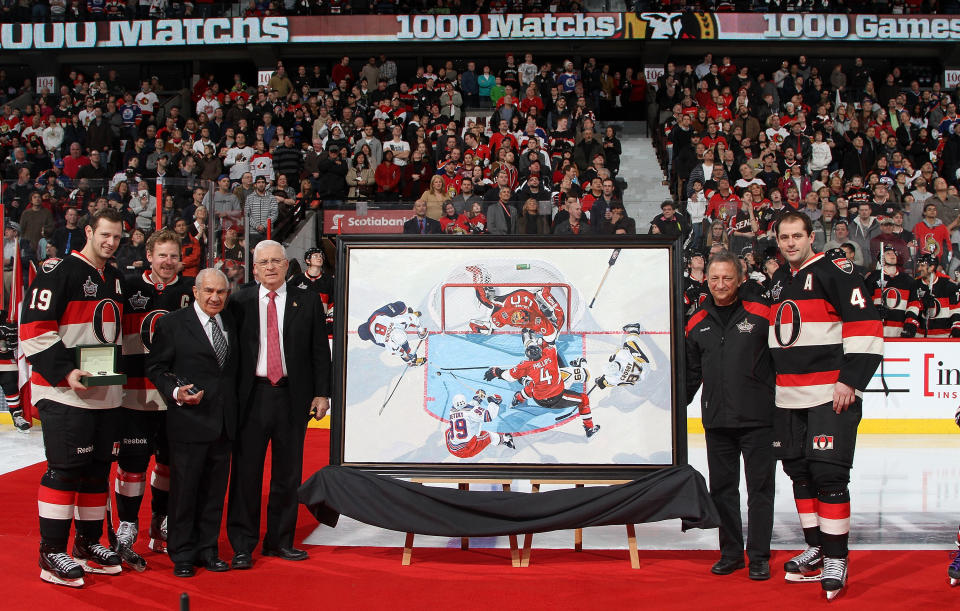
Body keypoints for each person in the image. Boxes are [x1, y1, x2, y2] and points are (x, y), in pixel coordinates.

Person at [768, 211, 883, 600]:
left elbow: (865, 324)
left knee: (828, 475)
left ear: (810, 236)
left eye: (797, 236)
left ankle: (837, 556)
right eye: (784, 237)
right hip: (788, 397)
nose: (790, 243)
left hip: (829, 394)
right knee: (799, 473)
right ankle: (816, 547)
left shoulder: (836, 270)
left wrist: (851, 379)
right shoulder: (780, 280)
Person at [21, 208, 127, 587]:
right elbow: (33, 329)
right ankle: (51, 553)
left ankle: (87, 543)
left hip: (107, 395)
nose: (111, 243)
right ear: (88, 231)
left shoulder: (113, 276)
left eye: (117, 237)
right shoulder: (57, 271)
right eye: (105, 235)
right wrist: (66, 370)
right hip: (65, 394)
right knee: (65, 470)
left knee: (98, 470)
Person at [226, 241, 331, 569]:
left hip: (292, 396)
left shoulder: (308, 300)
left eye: (276, 261)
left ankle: (280, 541)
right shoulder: (239, 302)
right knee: (246, 474)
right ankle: (243, 545)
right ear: (253, 268)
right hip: (251, 397)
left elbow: (319, 352)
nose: (270, 267)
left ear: (288, 266)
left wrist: (322, 393)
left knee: (288, 474)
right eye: (263, 262)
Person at [685, 251, 775, 581]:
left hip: (759, 420)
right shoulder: (696, 321)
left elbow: (780, 364)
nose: (720, 284)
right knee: (723, 490)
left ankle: (759, 556)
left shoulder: (762, 313)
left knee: (760, 490)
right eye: (714, 278)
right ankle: (732, 553)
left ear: (739, 280)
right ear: (706, 281)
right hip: (717, 421)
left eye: (727, 278)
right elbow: (691, 374)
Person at [145, 268, 237, 578]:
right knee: (184, 492)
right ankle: (182, 552)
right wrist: (175, 392)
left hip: (224, 423)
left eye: (221, 292)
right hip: (188, 421)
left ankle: (208, 549)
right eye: (209, 291)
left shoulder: (231, 321)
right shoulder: (172, 324)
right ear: (195, 292)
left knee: (213, 492)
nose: (215, 297)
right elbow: (155, 367)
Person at [111, 229, 195, 571]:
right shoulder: (128, 286)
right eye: (162, 255)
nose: (168, 261)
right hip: (134, 393)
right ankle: (127, 524)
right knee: (132, 464)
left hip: (173, 396)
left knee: (168, 465)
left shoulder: (191, 290)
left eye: (174, 255)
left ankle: (160, 522)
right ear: (149, 255)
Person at [484, 330, 599, 439]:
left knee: (533, 385)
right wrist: (582, 363)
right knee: (583, 398)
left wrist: (496, 372)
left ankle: (518, 398)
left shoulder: (526, 365)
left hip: (539, 398)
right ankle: (589, 428)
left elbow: (509, 376)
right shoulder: (551, 353)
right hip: (557, 396)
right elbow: (587, 374)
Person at [357, 301, 428, 367]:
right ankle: (412, 359)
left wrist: (408, 359)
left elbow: (398, 351)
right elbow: (413, 318)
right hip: (382, 322)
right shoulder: (380, 340)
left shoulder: (384, 341)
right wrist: (422, 332)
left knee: (400, 307)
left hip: (381, 320)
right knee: (401, 309)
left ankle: (412, 359)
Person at [445, 391, 514, 458]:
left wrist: (477, 398)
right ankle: (505, 440)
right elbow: (488, 416)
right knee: (487, 435)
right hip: (466, 449)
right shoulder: (470, 411)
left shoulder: (452, 411)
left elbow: (465, 409)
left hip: (452, 447)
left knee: (450, 429)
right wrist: (494, 403)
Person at [288, 247, 334, 320]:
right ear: (308, 260)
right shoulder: (296, 279)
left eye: (321, 256)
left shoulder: (329, 280)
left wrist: (329, 319)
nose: (319, 258)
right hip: (301, 320)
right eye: (315, 256)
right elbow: (288, 298)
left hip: (321, 321)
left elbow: (333, 302)